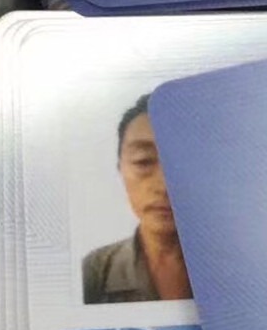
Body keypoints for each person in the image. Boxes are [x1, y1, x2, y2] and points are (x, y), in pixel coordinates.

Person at [82, 95, 192, 304]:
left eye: (181, 162)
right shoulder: (93, 274)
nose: (164, 186)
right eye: (143, 161)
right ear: (120, 169)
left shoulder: (237, 268)